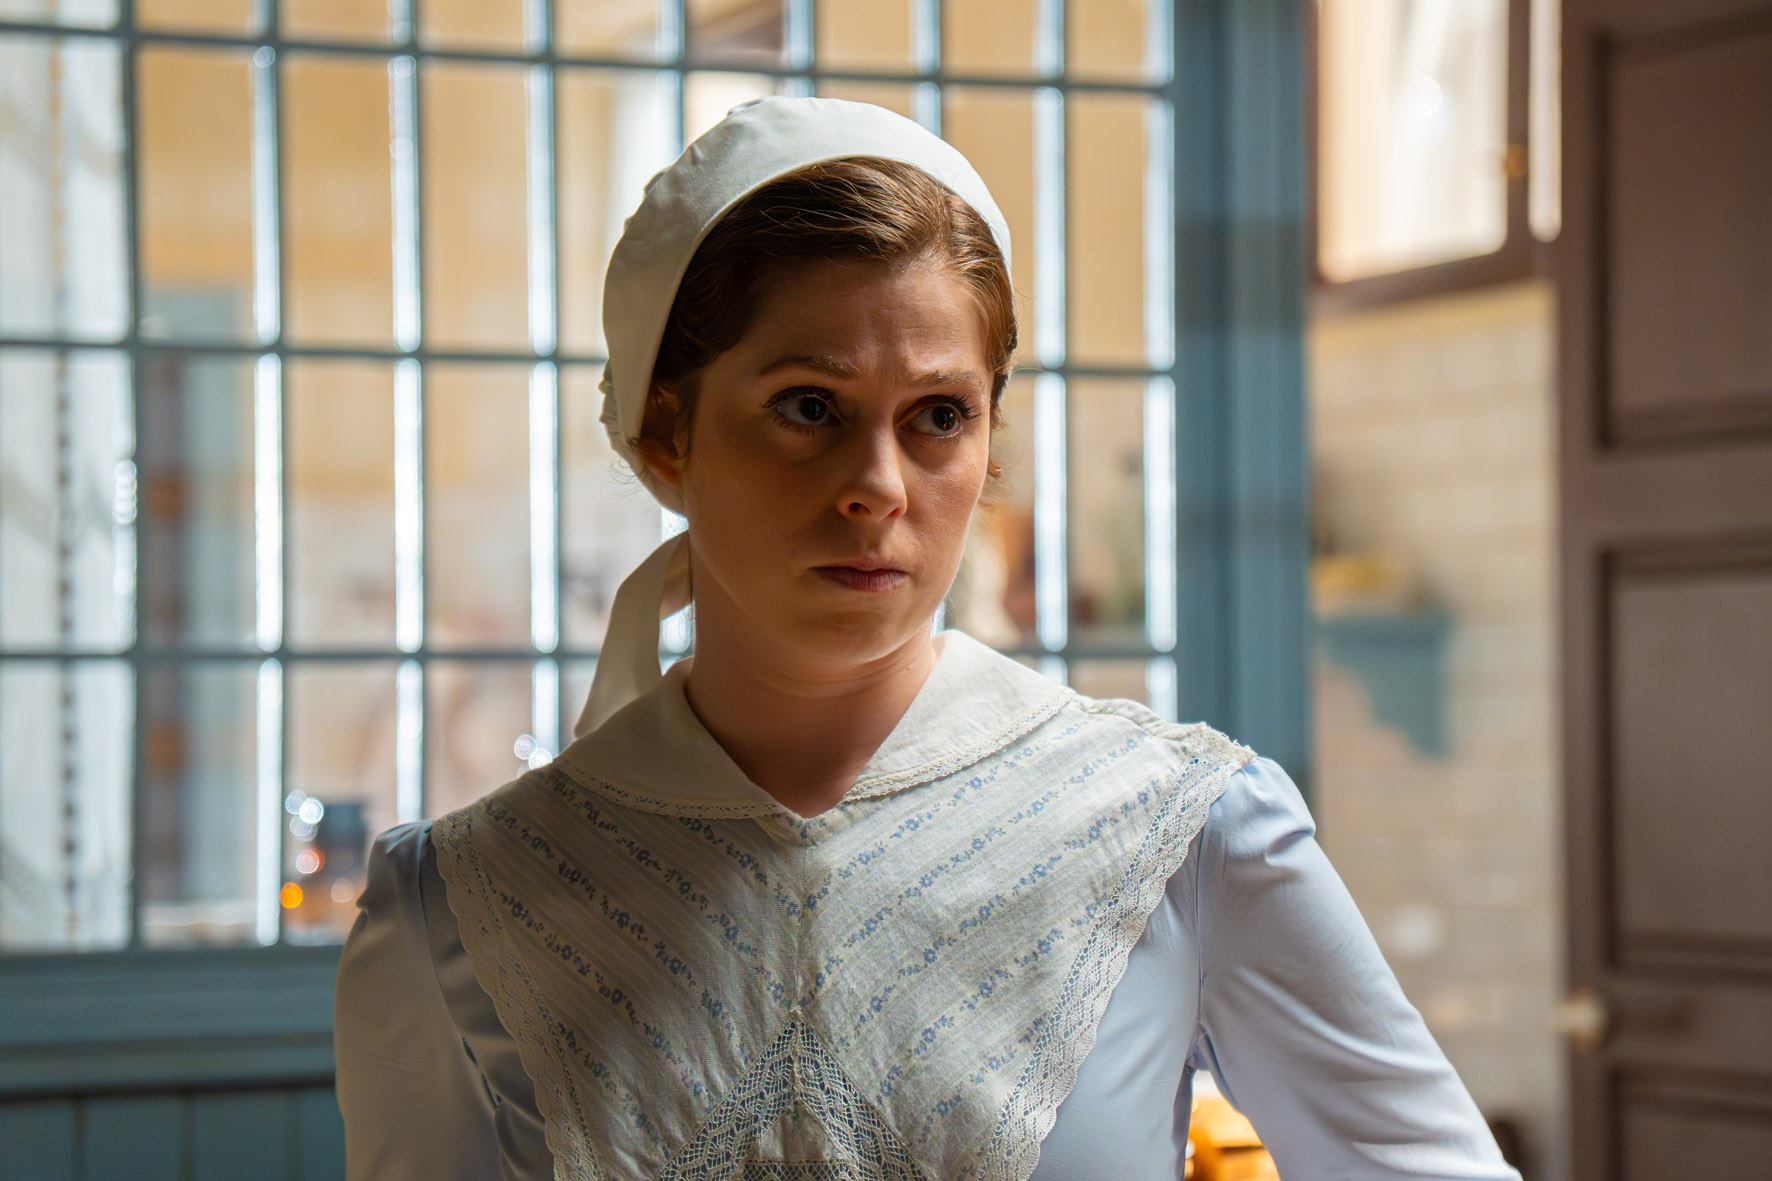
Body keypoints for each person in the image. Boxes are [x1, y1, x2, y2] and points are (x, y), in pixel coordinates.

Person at [333, 96, 1520, 1181]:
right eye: (808, 406)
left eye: (938, 415)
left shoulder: (1183, 834)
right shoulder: (460, 902)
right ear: (663, 433)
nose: (879, 485)